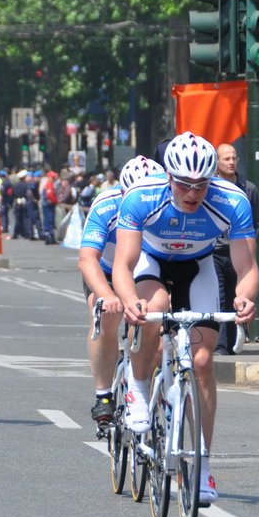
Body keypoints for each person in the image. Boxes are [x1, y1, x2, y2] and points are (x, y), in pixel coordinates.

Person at [114, 133, 257, 506]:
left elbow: (247, 267)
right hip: (152, 262)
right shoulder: (143, 197)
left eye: (200, 185)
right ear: (168, 178)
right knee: (154, 305)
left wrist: (245, 296)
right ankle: (138, 386)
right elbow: (123, 264)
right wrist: (130, 301)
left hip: (199, 267)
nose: (192, 193)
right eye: (183, 184)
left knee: (203, 361)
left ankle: (203, 463)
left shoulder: (232, 201)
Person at [78, 155, 166, 426]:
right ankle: (103, 394)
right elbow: (87, 259)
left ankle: (152, 386)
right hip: (107, 271)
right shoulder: (106, 205)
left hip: (146, 271)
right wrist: (107, 294)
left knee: (156, 320)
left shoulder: (166, 204)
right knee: (104, 311)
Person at [212, 142, 259, 355]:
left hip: (239, 253)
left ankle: (232, 342)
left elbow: (257, 222)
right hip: (215, 252)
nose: (231, 162)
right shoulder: (211, 188)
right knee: (219, 298)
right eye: (226, 159)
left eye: (234, 158)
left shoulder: (249, 189)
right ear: (217, 163)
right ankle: (220, 345)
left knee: (237, 296)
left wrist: (249, 245)